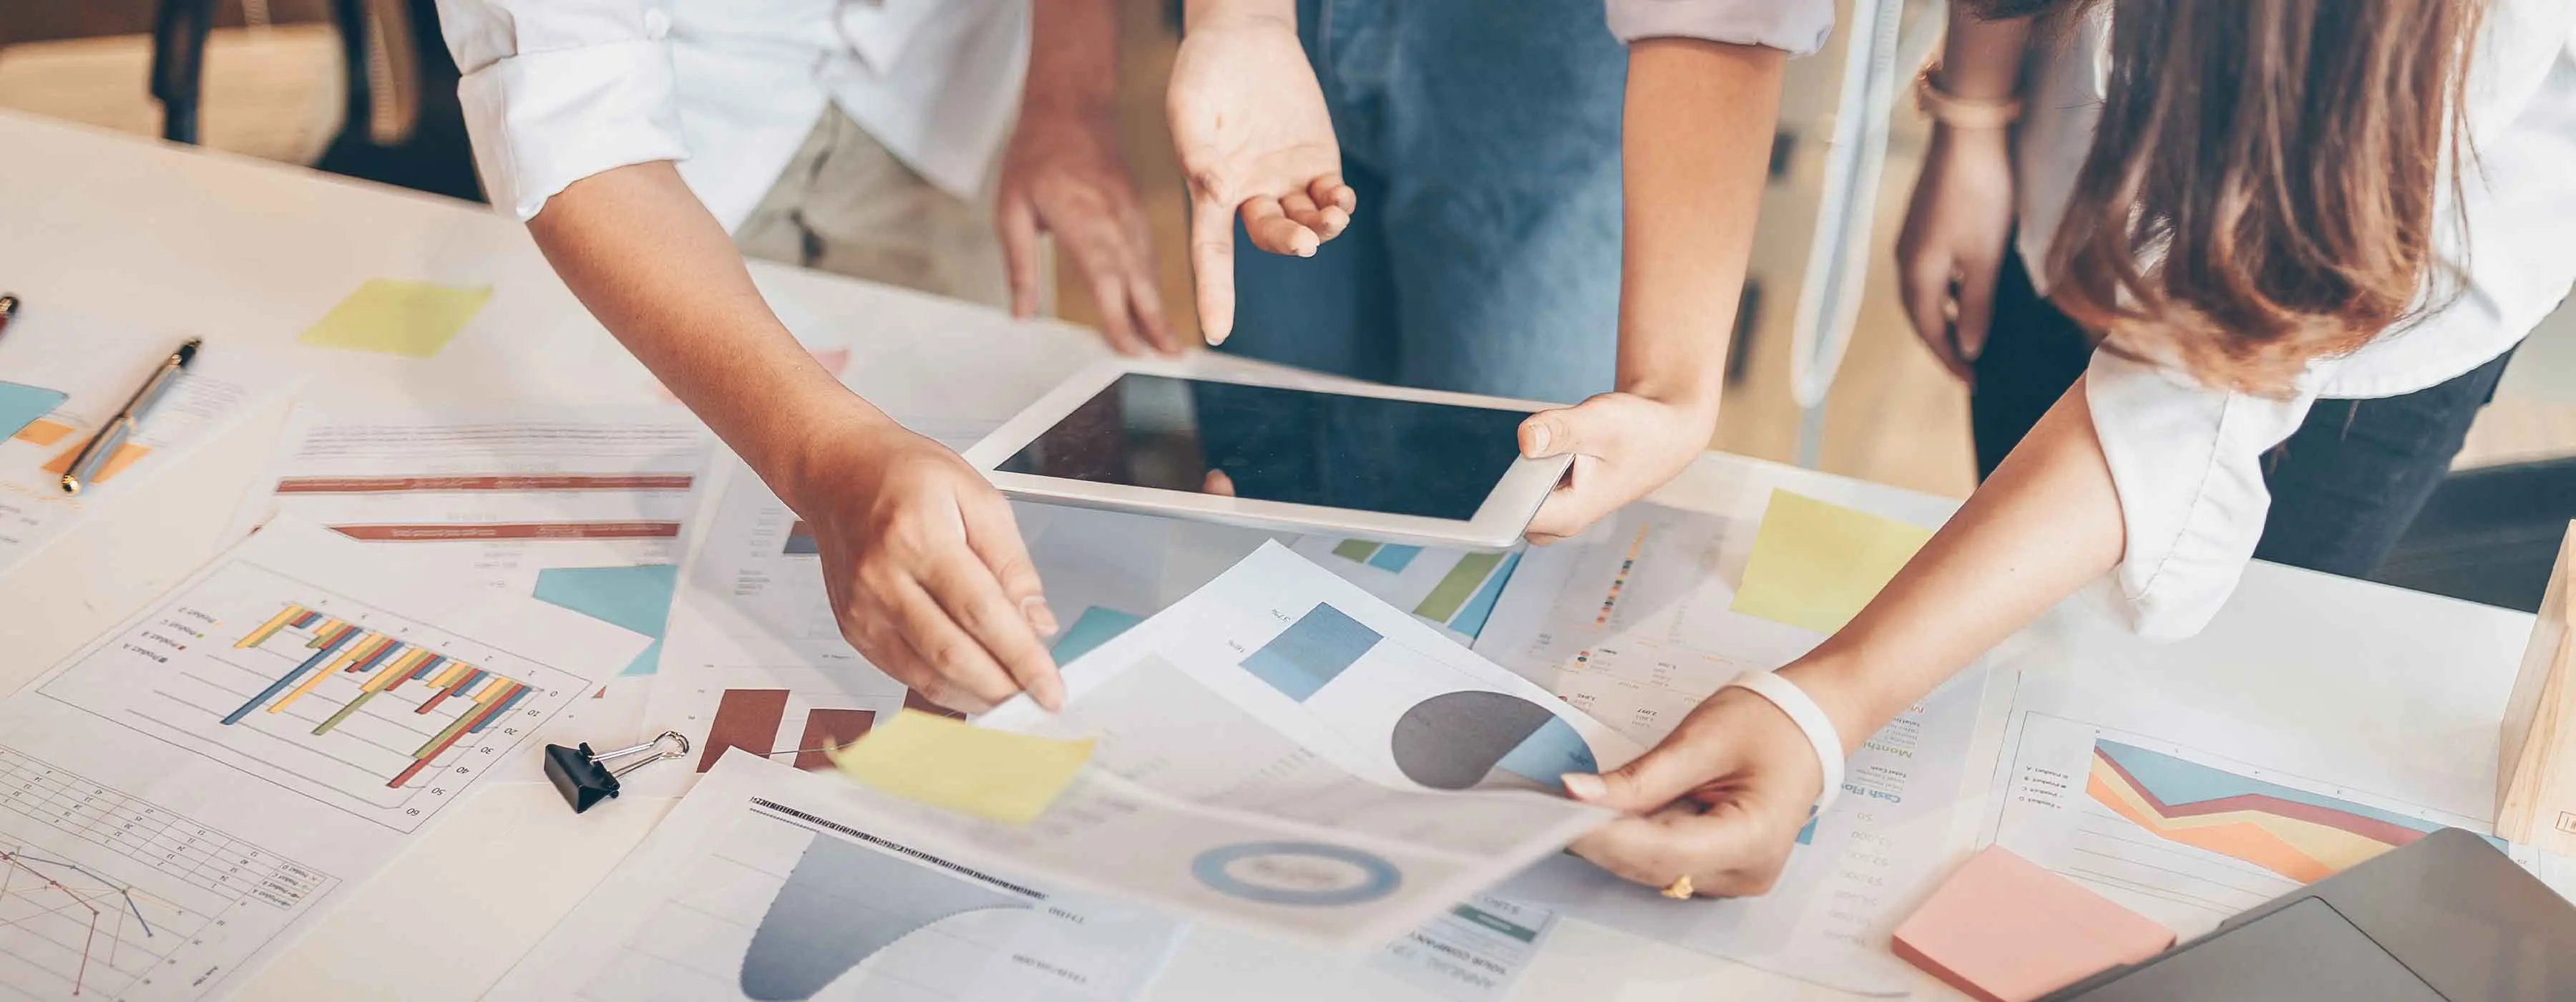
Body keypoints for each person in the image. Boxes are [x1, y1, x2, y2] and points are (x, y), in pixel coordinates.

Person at [432, 0, 1816, 712]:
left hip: (1551, 64)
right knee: (1274, 441)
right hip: (720, 117)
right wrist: (1243, 23)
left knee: (1513, 528)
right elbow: (572, 117)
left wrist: (1682, 378)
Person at [1562, 0, 2576, 898]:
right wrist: (1973, 112)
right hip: (2101, 163)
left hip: (2385, 287)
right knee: (2028, 645)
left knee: (2209, 713)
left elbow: (2195, 384)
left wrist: (1821, 707)